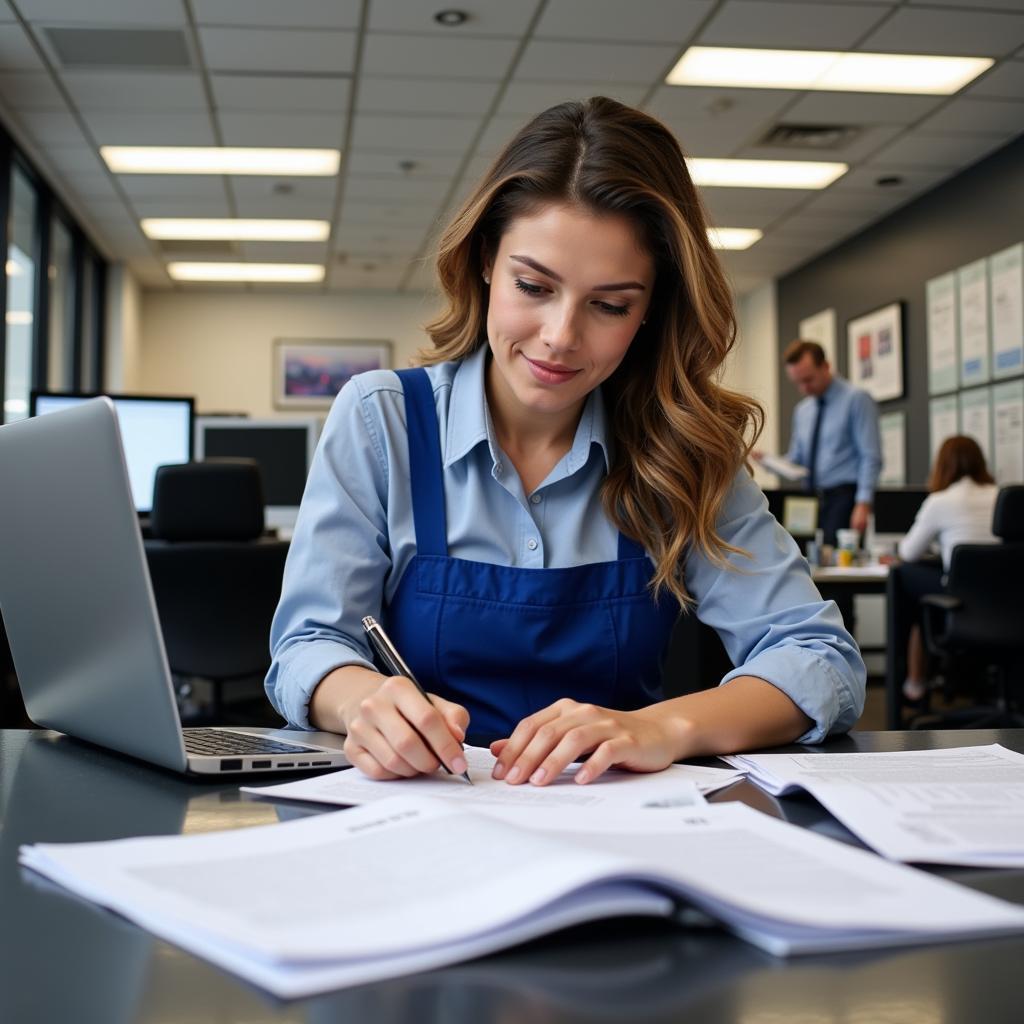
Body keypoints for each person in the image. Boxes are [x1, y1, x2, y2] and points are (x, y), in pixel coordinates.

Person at [265, 97, 865, 786]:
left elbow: (818, 656)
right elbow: (311, 644)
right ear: (486, 260)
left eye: (610, 305)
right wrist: (363, 702)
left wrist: (663, 725)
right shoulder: (381, 420)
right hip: (422, 813)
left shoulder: (685, 447)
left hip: (615, 819)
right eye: (533, 285)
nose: (560, 335)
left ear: (650, 311)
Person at [896, 435, 998, 702]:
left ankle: (913, 683)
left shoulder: (940, 501)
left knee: (903, 578)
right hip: (1009, 607)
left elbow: (907, 552)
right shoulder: (1002, 496)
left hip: (961, 604)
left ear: (942, 465)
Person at [778, 340, 881, 547]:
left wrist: (863, 503)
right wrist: (770, 462)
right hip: (809, 498)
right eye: (798, 383)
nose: (804, 388)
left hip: (843, 497)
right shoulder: (803, 411)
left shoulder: (856, 399)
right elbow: (797, 459)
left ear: (825, 367)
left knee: (837, 561)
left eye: (808, 380)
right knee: (804, 558)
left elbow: (870, 456)